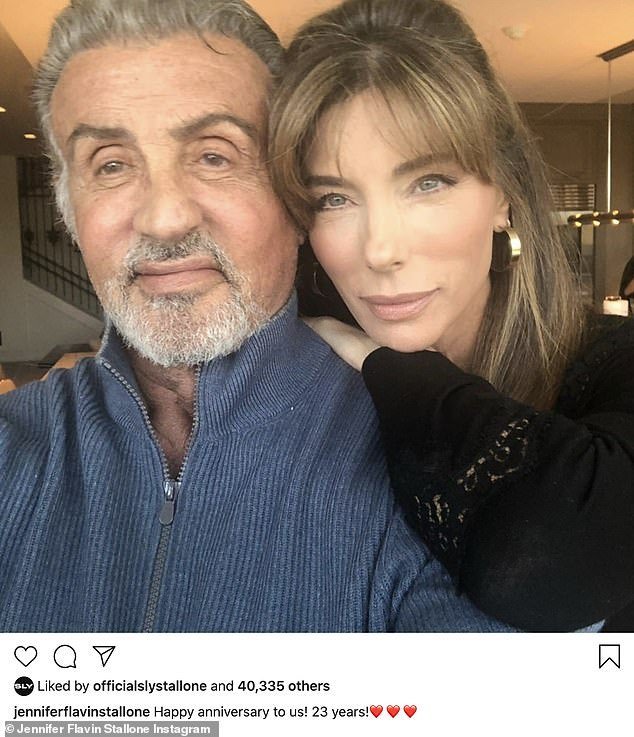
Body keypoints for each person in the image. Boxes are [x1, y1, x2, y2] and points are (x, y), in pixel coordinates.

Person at [0, 0, 526, 633]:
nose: (164, 219)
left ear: (295, 203)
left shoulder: (428, 457)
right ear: (69, 211)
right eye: (110, 165)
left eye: (215, 156)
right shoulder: (12, 446)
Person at [268, 0, 634, 631]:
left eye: (428, 182)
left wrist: (386, 366)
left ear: (504, 195)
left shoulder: (615, 362)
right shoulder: (301, 390)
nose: (380, 250)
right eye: (333, 198)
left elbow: (548, 568)